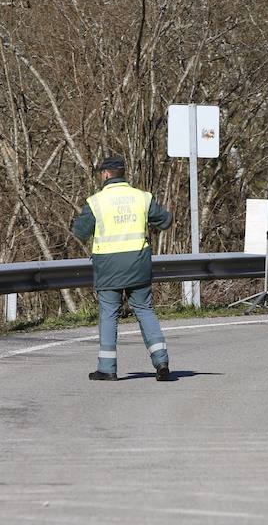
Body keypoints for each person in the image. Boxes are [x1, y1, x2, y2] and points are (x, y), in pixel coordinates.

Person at [73, 156, 173, 382]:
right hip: (138, 264)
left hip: (108, 267)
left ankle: (107, 368)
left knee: (109, 314)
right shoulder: (142, 198)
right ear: (122, 173)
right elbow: (165, 221)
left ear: (106, 174)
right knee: (145, 311)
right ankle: (161, 361)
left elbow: (80, 231)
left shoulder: (96, 201)